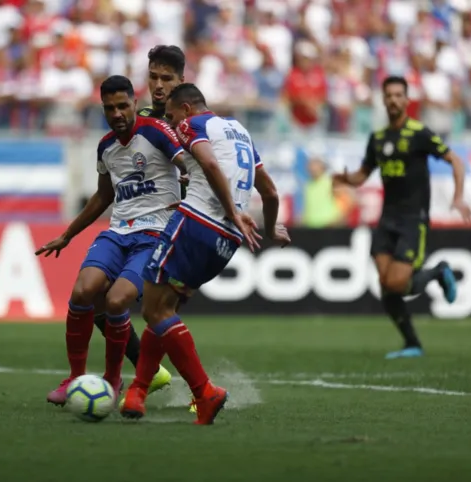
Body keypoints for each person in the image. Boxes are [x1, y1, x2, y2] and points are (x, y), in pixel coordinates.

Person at [120, 83, 288, 425]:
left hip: (197, 223)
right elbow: (269, 192)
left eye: (171, 116)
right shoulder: (239, 131)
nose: (171, 123)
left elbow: (211, 165)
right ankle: (137, 391)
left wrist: (232, 210)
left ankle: (204, 392)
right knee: (165, 310)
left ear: (185, 109)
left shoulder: (193, 123)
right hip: (226, 242)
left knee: (153, 308)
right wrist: (269, 229)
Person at [37, 75, 187, 406]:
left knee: (117, 300)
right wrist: (67, 234)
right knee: (82, 292)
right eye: (109, 108)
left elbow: (187, 164)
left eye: (122, 105)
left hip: (154, 235)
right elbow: (103, 195)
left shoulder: (156, 132)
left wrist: (191, 189)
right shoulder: (105, 146)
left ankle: (113, 378)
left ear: (135, 103)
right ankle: (75, 378)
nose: (117, 113)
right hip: (119, 232)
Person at [333, 76, 471, 359]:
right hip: (387, 219)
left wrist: (458, 198)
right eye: (390, 95)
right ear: (384, 100)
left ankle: (437, 272)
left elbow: (455, 160)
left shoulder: (419, 134)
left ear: (407, 100)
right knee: (386, 285)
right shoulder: (378, 138)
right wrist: (344, 178)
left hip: (413, 219)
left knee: (397, 283)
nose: (394, 100)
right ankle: (412, 344)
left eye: (399, 95)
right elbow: (363, 174)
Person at [88, 44, 188, 395]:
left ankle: (195, 391)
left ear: (181, 81)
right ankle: (151, 373)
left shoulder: (189, 121)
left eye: (167, 78)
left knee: (159, 312)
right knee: (98, 298)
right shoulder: (139, 116)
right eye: (153, 77)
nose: (159, 85)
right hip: (137, 228)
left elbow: (202, 171)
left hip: (178, 231)